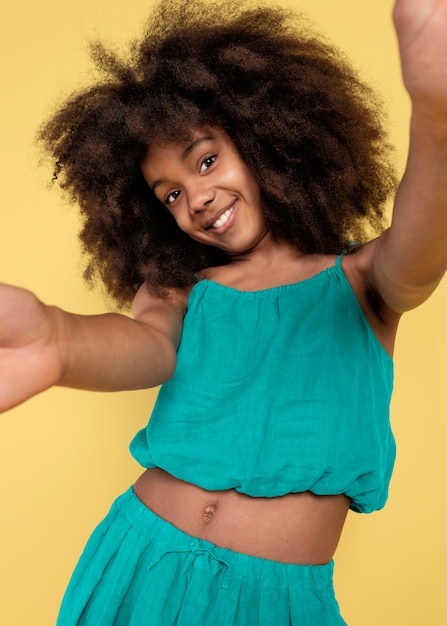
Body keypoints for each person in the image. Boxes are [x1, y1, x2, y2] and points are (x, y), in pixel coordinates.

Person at [0, 0, 446, 623]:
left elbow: (424, 242)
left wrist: (436, 115)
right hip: (138, 563)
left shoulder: (364, 281)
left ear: (268, 140)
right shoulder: (180, 288)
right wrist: (60, 340)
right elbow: (144, 345)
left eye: (207, 160)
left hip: (277, 603)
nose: (197, 200)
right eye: (171, 195)